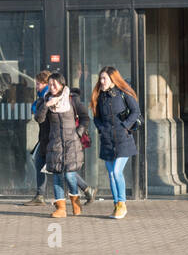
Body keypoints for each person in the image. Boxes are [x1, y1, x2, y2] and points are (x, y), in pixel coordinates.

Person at [36, 71, 89, 218]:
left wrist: (78, 133)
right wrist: (47, 105)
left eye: (54, 84)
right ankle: (61, 208)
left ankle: (75, 201)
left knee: (70, 176)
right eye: (50, 84)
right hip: (55, 144)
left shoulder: (72, 99)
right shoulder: (46, 100)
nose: (52, 87)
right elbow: (39, 119)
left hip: (71, 143)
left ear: (62, 84)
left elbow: (85, 118)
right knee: (57, 176)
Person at [91, 66, 142, 219]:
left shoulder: (123, 93)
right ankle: (116, 204)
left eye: (104, 78)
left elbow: (136, 112)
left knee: (116, 172)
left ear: (113, 79)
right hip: (107, 140)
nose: (101, 81)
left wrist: (125, 126)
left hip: (123, 139)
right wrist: (101, 128)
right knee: (111, 175)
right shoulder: (100, 96)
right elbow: (96, 116)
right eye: (100, 78)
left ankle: (122, 203)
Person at [23, 70, 53, 206]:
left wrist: (36, 107)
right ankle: (40, 195)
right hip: (45, 137)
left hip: (49, 137)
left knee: (61, 168)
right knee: (40, 163)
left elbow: (40, 117)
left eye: (38, 83)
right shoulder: (42, 97)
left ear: (45, 83)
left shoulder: (47, 96)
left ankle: (86, 189)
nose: (36, 86)